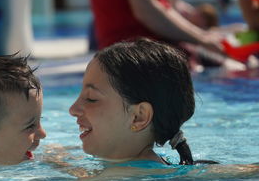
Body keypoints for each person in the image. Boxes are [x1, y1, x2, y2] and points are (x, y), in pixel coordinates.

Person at [69, 38, 195, 166]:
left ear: (138, 117)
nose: (73, 109)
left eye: (91, 99)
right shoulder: (133, 167)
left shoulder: (129, 179)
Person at [89, 0, 224, 53]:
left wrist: (204, 36)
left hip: (133, 50)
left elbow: (162, 8)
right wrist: (203, 39)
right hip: (133, 54)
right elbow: (146, 11)